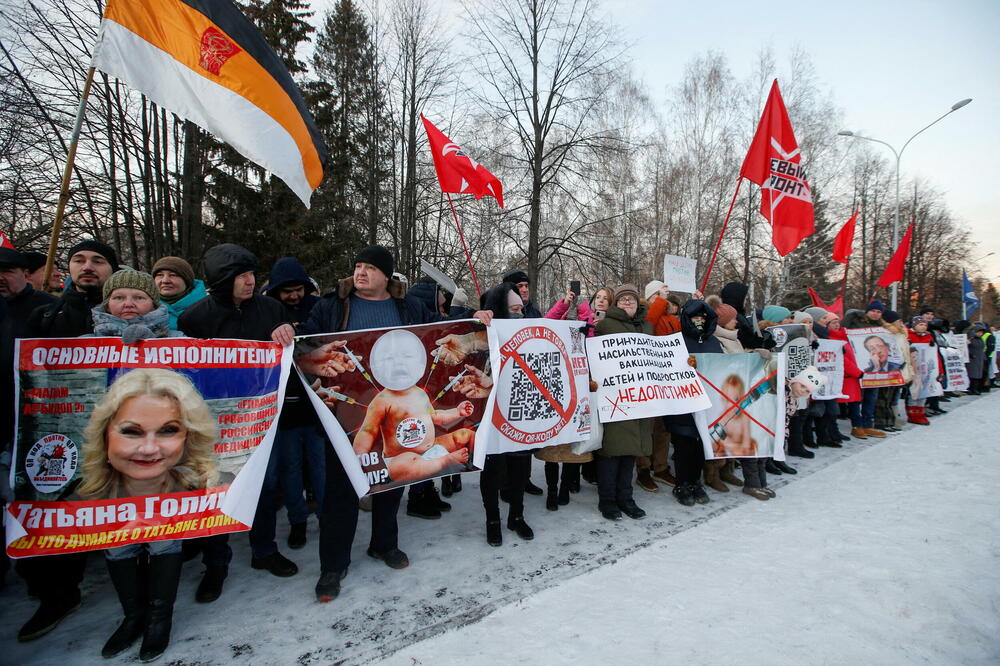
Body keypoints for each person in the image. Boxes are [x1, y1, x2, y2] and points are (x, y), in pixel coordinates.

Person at [285, 245, 491, 601]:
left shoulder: (407, 306)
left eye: (368, 268)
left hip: (404, 412)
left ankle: (384, 544)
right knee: (341, 492)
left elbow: (440, 330)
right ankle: (333, 565)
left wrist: (477, 320)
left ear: (386, 275)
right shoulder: (332, 305)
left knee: (392, 483)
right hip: (344, 419)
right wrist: (287, 333)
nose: (360, 273)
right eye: (357, 266)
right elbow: (305, 344)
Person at [179, 243, 294, 601]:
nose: (250, 281)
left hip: (261, 421)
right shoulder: (194, 318)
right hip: (214, 425)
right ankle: (216, 563)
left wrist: (286, 331)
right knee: (218, 488)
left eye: (252, 275)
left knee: (264, 484)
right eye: (242, 276)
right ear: (222, 281)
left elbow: (289, 351)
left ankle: (264, 550)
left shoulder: (271, 308)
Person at [17, 240, 117, 642]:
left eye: (98, 261)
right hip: (60, 434)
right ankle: (58, 594)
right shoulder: (45, 313)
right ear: (68, 267)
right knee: (60, 512)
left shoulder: (124, 314)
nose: (88, 267)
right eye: (79, 260)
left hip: (117, 432)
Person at [78, 369, 217, 660]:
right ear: (105, 433)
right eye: (131, 431)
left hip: (168, 509)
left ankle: (158, 622)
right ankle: (133, 618)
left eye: (168, 430)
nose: (149, 448)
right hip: (111, 512)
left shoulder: (191, 483)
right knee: (118, 553)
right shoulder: (87, 492)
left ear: (188, 435)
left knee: (165, 547)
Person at [264, 256, 327, 548]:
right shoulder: (267, 311)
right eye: (286, 290)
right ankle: (297, 520)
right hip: (283, 407)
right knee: (290, 469)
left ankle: (328, 516)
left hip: (316, 403)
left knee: (320, 465)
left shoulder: (316, 307)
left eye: (297, 289)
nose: (293, 295)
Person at [476, 282, 537, 543]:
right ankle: (492, 520)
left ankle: (517, 516)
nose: (519, 315)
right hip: (492, 412)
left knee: (520, 465)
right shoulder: (483, 333)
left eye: (521, 310)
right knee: (492, 469)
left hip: (519, 408)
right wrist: (477, 318)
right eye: (513, 309)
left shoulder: (528, 328)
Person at [591, 284, 652, 520]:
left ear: (638, 304)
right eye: (623, 299)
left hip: (639, 398)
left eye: (632, 300)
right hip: (614, 397)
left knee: (630, 452)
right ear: (616, 303)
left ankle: (626, 498)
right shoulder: (605, 325)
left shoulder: (647, 327)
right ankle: (607, 501)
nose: (628, 303)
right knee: (612, 452)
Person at [536, 284, 596, 510]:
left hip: (577, 394)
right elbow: (546, 321)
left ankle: (564, 487)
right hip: (554, 394)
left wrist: (581, 305)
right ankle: (552, 490)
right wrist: (565, 303)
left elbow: (590, 326)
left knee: (573, 447)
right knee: (551, 449)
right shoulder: (552, 331)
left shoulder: (583, 333)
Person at [664, 299, 722, 506]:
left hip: (707, 403)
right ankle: (682, 483)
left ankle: (696, 482)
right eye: (695, 318)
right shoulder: (675, 340)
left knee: (700, 444)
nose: (699, 321)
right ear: (687, 319)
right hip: (682, 402)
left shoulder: (714, 342)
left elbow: (723, 369)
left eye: (703, 318)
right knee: (683, 444)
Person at [89, 270, 182, 341]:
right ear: (107, 305)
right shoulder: (84, 345)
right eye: (119, 298)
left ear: (153, 305)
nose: (128, 304)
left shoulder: (179, 340)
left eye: (139, 298)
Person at [152, 256, 207, 330]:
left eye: (172, 275)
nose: (165, 281)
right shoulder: (143, 308)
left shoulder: (208, 308)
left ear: (186, 281)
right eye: (160, 275)